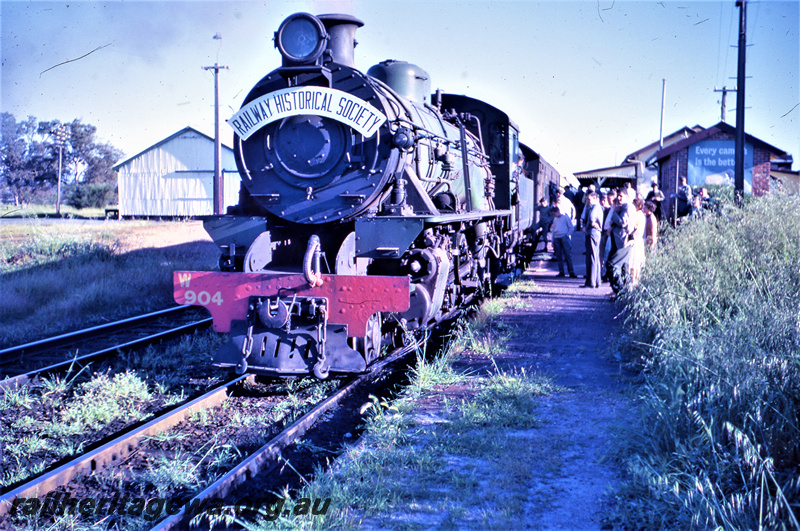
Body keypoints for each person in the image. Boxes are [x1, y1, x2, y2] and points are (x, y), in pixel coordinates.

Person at [582, 191, 603, 288]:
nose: (588, 201)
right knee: (595, 257)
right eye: (587, 199)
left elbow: (591, 218)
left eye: (589, 199)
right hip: (595, 233)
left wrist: (590, 225)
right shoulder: (595, 207)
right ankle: (596, 281)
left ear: (595, 198)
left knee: (592, 257)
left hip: (593, 233)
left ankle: (591, 282)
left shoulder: (595, 207)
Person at [550, 205, 577, 278]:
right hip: (557, 237)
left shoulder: (565, 217)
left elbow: (571, 227)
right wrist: (553, 240)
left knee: (567, 255)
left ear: (558, 211)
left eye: (554, 213)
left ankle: (571, 271)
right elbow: (553, 230)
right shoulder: (555, 219)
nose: (554, 215)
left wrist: (567, 235)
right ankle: (561, 271)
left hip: (564, 237)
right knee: (559, 256)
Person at [629, 197, 646, 285]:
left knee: (633, 262)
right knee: (636, 262)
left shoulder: (637, 215)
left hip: (635, 240)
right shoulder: (641, 214)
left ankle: (633, 280)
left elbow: (636, 228)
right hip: (639, 240)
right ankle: (636, 281)